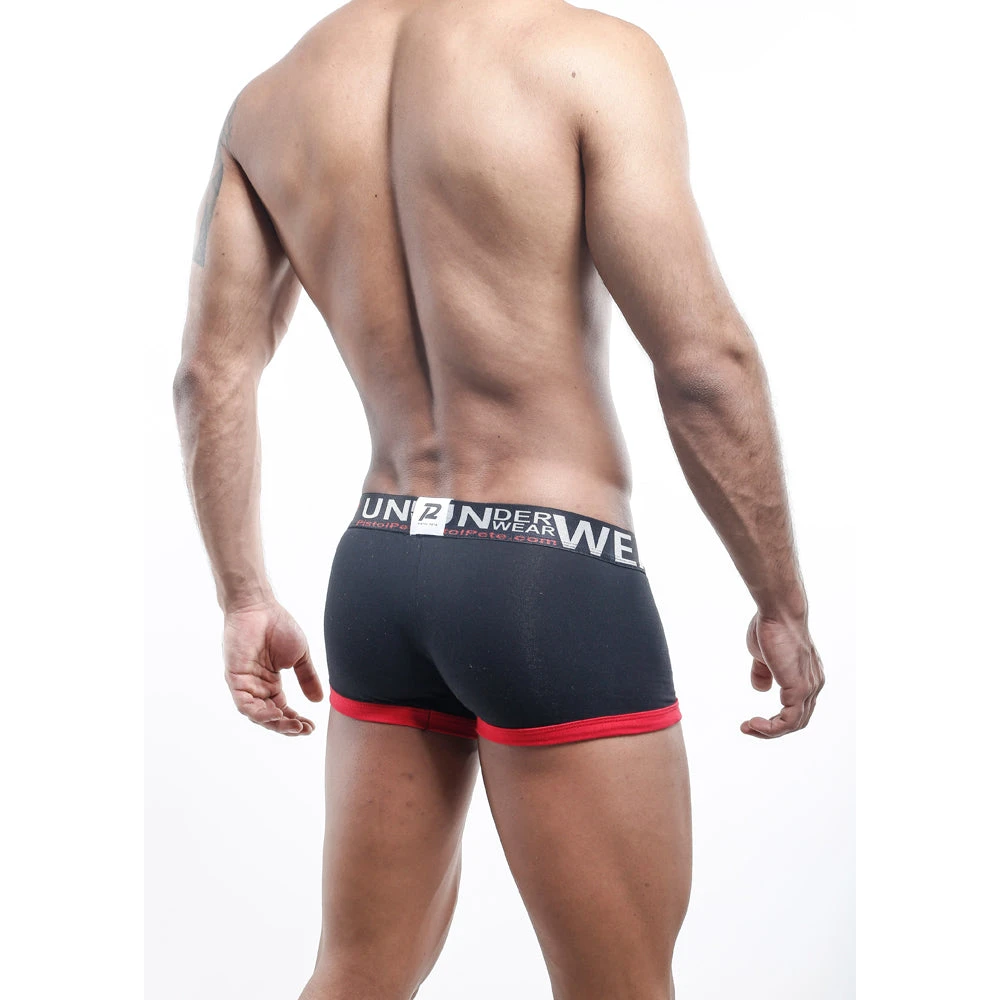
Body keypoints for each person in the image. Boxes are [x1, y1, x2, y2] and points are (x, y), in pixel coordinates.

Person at [173, 1, 825, 997]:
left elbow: (207, 374)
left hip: (382, 562)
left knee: (356, 974)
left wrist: (243, 595)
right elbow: (704, 364)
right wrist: (780, 600)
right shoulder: (589, 58)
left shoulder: (270, 100)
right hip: (547, 574)